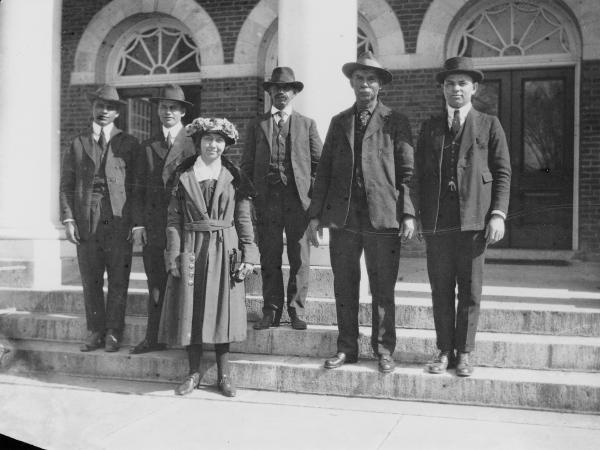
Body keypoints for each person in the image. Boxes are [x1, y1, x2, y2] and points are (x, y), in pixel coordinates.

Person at [307, 52, 416, 374]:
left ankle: (383, 349)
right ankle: (347, 347)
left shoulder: (396, 121)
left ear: (380, 85)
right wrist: (315, 215)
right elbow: (324, 171)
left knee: (383, 285)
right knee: (345, 284)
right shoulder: (339, 122)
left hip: (382, 217)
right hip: (344, 218)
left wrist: (407, 213)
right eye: (359, 79)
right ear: (352, 83)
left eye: (371, 79)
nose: (364, 84)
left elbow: (407, 173)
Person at [415, 56, 511, 377]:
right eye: (449, 83)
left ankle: (465, 352)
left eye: (462, 83)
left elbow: (502, 172)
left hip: (474, 221)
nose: (455, 89)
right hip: (439, 222)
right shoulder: (430, 126)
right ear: (442, 89)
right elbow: (418, 176)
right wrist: (416, 216)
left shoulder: (489, 124)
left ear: (474, 88)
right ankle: (444, 349)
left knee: (470, 289)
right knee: (441, 288)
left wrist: (497, 214)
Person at [159, 117, 258, 397]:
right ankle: (193, 373)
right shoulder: (183, 175)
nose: (213, 145)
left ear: (225, 145)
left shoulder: (235, 177)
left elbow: (243, 219)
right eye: (207, 139)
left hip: (225, 248)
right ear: (198, 142)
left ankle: (224, 374)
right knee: (191, 309)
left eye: (219, 140)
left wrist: (249, 254)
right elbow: (173, 220)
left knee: (222, 310)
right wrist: (174, 255)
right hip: (191, 246)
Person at [60, 85, 142, 352]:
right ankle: (95, 330)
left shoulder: (128, 143)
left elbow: (137, 187)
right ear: (92, 108)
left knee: (119, 278)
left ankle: (113, 333)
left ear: (117, 112)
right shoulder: (77, 143)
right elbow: (66, 185)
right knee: (91, 278)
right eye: (99, 106)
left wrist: (136, 222)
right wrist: (69, 219)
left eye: (109, 107)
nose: (104, 111)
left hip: (119, 220)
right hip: (87, 220)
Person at [241, 67, 322, 330]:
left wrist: (311, 197)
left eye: (286, 88)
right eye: (276, 88)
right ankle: (271, 310)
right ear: (270, 92)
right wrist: (251, 200)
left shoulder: (307, 124)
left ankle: (296, 310)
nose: (281, 92)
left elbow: (320, 164)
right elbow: (247, 165)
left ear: (294, 92)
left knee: (299, 257)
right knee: (269, 256)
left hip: (298, 202)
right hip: (267, 201)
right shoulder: (257, 125)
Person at [130, 84, 196, 354]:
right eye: (163, 107)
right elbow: (137, 189)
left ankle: (189, 339)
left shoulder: (194, 143)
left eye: (173, 107)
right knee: (155, 281)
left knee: (187, 279)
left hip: (186, 223)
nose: (167, 112)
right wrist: (138, 224)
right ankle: (153, 337)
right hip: (156, 225)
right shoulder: (147, 146)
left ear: (182, 112)